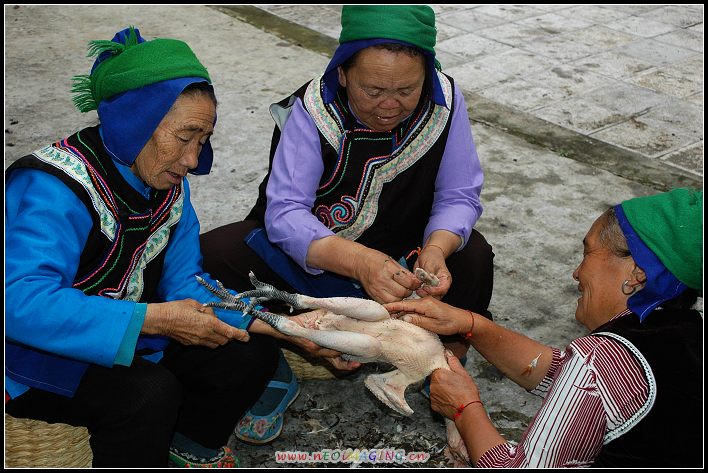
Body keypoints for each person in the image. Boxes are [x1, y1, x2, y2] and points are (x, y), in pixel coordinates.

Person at [4, 26, 349, 468]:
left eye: (202, 141)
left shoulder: (166, 188)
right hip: (27, 351)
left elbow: (186, 285)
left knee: (248, 353)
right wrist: (152, 320)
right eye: (184, 137)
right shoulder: (53, 188)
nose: (192, 160)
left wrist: (290, 328)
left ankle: (188, 450)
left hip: (127, 328)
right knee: (148, 395)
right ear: (135, 121)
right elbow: (19, 301)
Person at [199, 5, 495, 443]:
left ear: (427, 79)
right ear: (342, 74)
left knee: (472, 256)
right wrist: (358, 262)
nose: (390, 105)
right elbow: (285, 213)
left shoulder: (445, 103)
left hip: (402, 263)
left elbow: (457, 195)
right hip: (312, 260)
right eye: (373, 90)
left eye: (407, 90)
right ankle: (269, 366)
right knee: (213, 257)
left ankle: (441, 370)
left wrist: (436, 249)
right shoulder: (312, 111)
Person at [385, 188, 703, 467]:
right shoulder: (687, 333)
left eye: (588, 252)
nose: (576, 273)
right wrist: (470, 324)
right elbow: (569, 377)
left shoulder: (600, 364)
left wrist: (464, 410)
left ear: (636, 273)